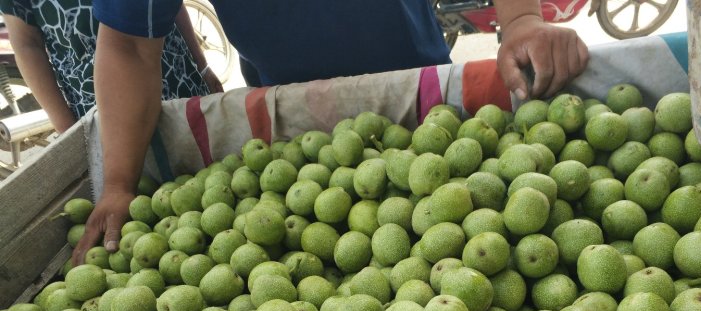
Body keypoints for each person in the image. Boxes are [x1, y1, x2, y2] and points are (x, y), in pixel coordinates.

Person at [73, 0, 588, 264]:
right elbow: (128, 45)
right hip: (288, 133)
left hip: (424, 103)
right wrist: (118, 182)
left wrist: (520, 21)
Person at [0, 1, 223, 133]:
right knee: (140, 188)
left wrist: (202, 65)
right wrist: (67, 128)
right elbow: (26, 45)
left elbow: (168, 5)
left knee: (208, 153)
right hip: (97, 100)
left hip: (175, 73)